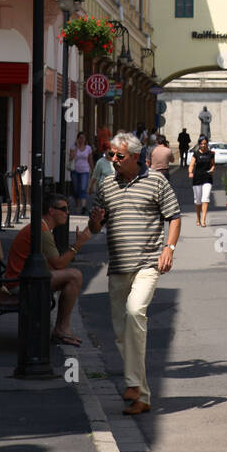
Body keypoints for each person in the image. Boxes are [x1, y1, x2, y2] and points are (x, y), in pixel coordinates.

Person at [89, 132, 181, 416]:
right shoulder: (106, 185)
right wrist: (94, 223)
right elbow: (97, 228)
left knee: (134, 313)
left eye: (119, 156)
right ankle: (140, 395)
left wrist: (169, 248)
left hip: (146, 264)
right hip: (117, 267)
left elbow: (174, 216)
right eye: (110, 154)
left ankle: (132, 384)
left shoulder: (156, 181)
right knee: (122, 335)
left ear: (136, 157)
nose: (113, 160)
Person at [5, 193, 95, 346]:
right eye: (63, 209)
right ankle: (61, 329)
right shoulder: (43, 231)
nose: (67, 212)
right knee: (75, 276)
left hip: (22, 278)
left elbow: (54, 265)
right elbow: (59, 264)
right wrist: (78, 245)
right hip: (21, 283)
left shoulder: (42, 227)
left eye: (68, 209)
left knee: (71, 277)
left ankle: (61, 328)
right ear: (51, 211)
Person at [188, 134, 215, 227]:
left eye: (205, 143)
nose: (203, 145)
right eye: (202, 144)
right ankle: (198, 218)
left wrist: (212, 169)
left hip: (207, 178)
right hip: (197, 178)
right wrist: (190, 172)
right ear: (199, 144)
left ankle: (203, 220)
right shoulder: (196, 153)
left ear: (207, 144)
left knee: (205, 198)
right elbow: (191, 164)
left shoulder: (211, 154)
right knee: (198, 200)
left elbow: (213, 164)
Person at [68, 133, 93, 214]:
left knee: (83, 188)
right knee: (76, 189)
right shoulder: (73, 147)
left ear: (85, 139)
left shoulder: (88, 148)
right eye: (80, 138)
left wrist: (93, 170)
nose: (82, 140)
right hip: (75, 170)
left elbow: (90, 159)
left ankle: (83, 207)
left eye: (83, 138)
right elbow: (71, 158)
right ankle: (77, 206)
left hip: (85, 171)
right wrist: (77, 148)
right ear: (77, 139)